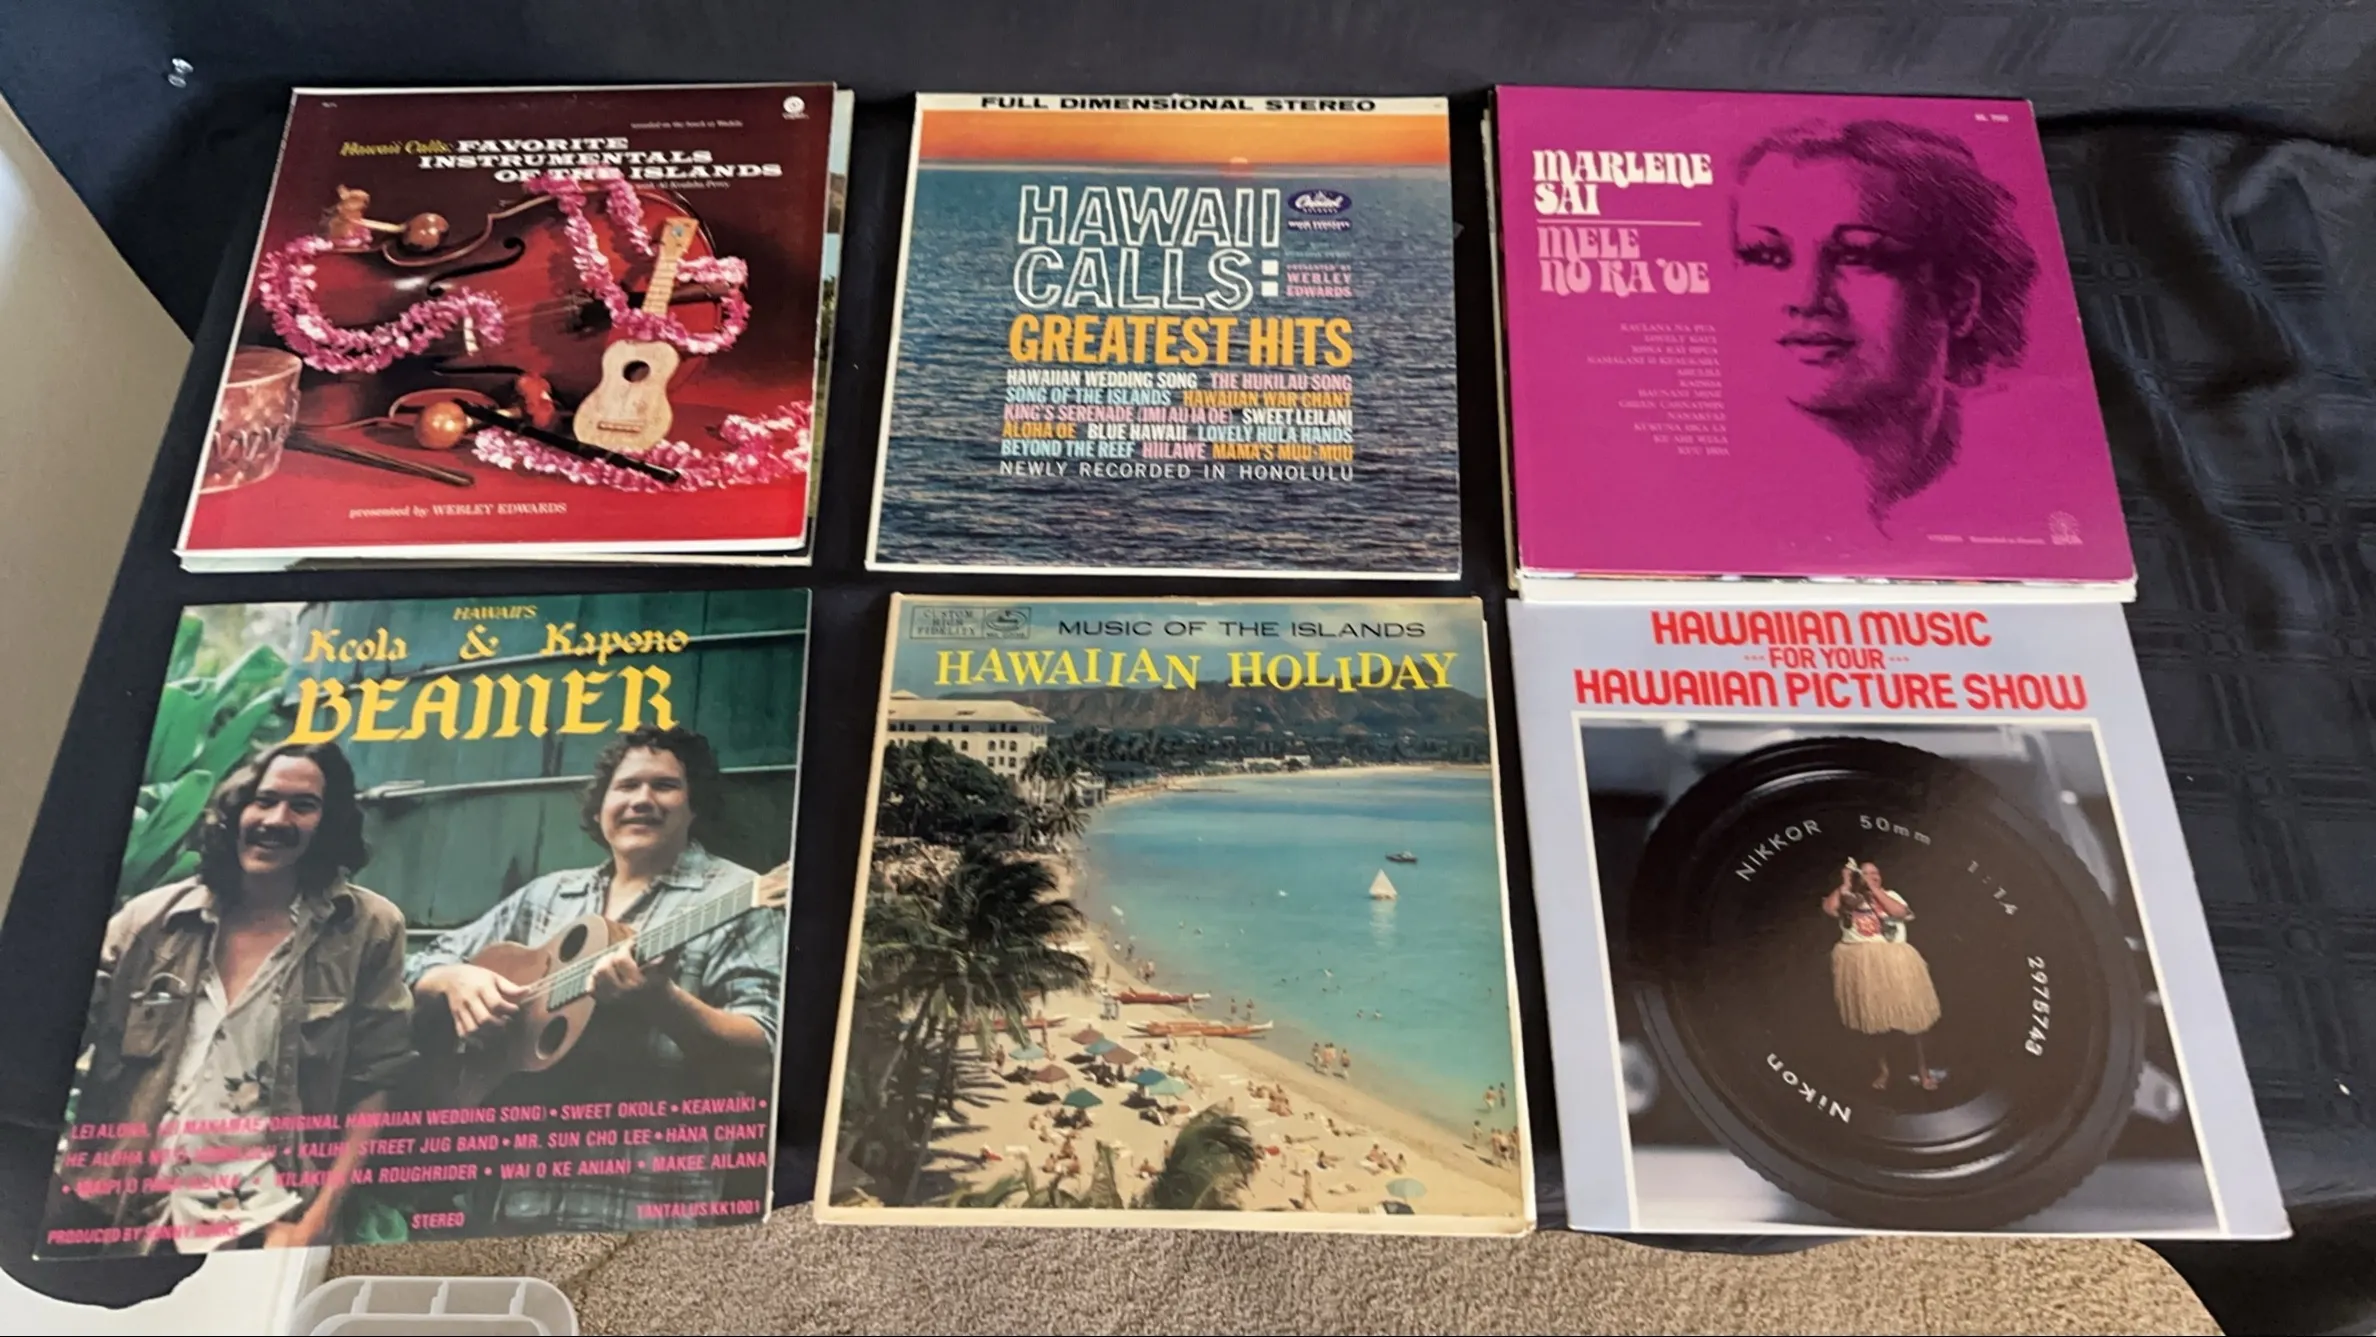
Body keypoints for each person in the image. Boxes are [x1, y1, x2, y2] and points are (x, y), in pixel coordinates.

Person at [407, 726, 784, 1233]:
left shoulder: (739, 897)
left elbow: (763, 1056)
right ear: (602, 804)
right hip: (504, 1203)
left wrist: (663, 1003)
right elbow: (414, 967)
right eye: (626, 786)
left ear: (694, 804)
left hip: (642, 1214)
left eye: (665, 785)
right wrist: (452, 981)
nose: (642, 800)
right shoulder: (548, 897)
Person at [54, 742, 412, 1254]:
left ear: (329, 823)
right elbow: (48, 1038)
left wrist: (317, 1222)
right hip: (118, 1216)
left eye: (303, 806)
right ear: (238, 810)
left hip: (260, 1223)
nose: (276, 819)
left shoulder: (366, 931)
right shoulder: (148, 923)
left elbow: (375, 1083)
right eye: (263, 800)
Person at [1730, 120, 2039, 529]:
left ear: (1959, 301)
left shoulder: (2020, 488)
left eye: (1858, 256)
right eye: (1766, 255)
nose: (1806, 298)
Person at [1824, 859, 1944, 1090]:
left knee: (1912, 1020)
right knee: (1875, 1022)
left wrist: (1874, 890)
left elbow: (1899, 912)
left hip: (1895, 963)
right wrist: (1845, 883)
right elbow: (1830, 909)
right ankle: (1884, 1070)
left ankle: (1923, 1072)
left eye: (1876, 873)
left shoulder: (1891, 895)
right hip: (1862, 966)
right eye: (1866, 873)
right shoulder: (1848, 898)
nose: (1873, 876)